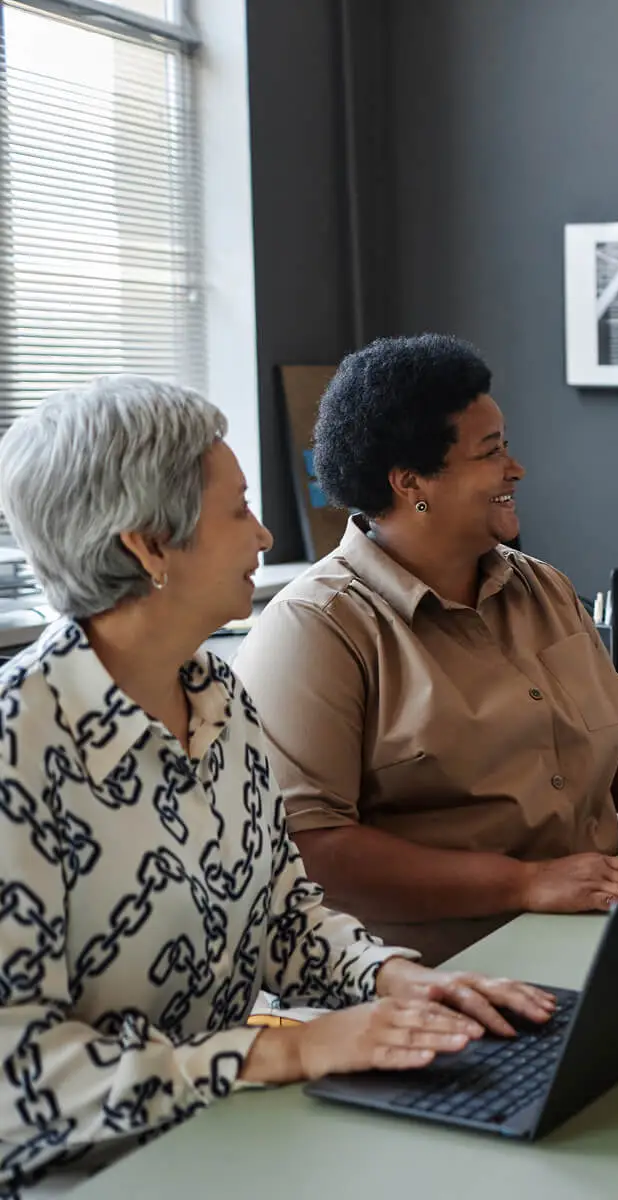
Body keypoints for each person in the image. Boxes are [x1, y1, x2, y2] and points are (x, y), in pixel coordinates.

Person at [0, 378, 550, 1196]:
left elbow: (283, 917)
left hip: (226, 1133)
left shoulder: (214, 692)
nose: (263, 533)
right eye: (237, 511)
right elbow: (17, 1077)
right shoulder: (19, 747)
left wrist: (398, 979)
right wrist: (283, 1049)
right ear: (149, 547)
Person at [233, 334, 618, 965]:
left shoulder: (542, 588)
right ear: (411, 482)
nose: (516, 468)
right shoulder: (316, 629)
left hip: (594, 935)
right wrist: (524, 883)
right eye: (491, 451)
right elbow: (312, 850)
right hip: (441, 971)